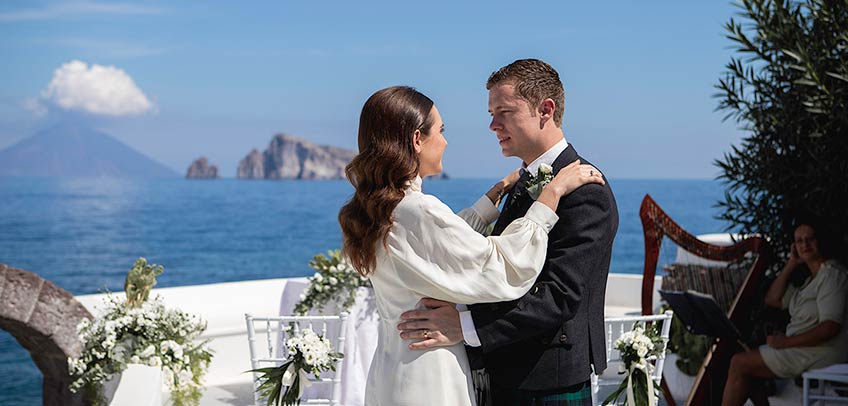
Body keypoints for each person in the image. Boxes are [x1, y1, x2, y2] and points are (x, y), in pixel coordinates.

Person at [338, 85, 605, 406]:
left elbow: (440, 248)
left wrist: (491, 199)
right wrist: (550, 197)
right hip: (430, 372)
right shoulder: (418, 210)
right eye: (441, 130)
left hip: (392, 367)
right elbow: (500, 266)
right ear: (417, 140)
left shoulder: (380, 210)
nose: (446, 141)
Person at [397, 59, 619, 405]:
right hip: (505, 374)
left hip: (548, 382)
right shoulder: (523, 182)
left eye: (504, 112)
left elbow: (558, 295)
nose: (492, 125)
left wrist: (466, 327)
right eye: (491, 112)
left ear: (545, 110)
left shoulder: (585, 189)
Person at [722, 222, 848, 405]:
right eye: (799, 241)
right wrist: (790, 264)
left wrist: (786, 342)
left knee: (739, 362)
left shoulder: (832, 276)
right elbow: (772, 300)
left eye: (810, 239)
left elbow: (830, 328)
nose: (805, 245)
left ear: (820, 241)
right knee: (748, 365)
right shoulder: (810, 280)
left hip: (822, 351)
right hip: (802, 349)